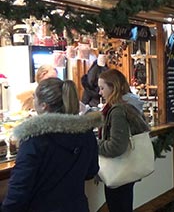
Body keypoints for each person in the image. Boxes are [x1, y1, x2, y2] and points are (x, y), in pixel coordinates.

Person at [1, 78, 102, 212]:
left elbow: (19, 189)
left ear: (43, 105)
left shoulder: (34, 139)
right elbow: (91, 171)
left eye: (34, 97)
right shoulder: (86, 133)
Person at [97, 69, 148, 212]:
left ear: (113, 87)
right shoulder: (128, 105)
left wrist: (95, 143)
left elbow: (116, 146)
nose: (100, 92)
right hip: (126, 170)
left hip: (118, 169)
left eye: (102, 88)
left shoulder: (117, 111)